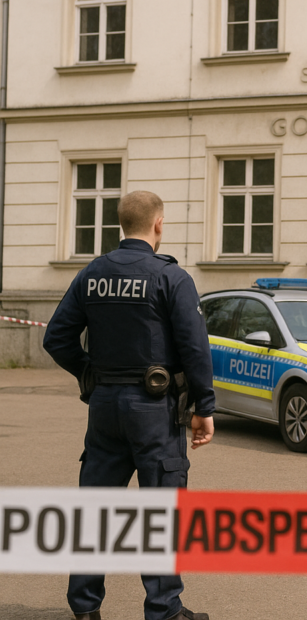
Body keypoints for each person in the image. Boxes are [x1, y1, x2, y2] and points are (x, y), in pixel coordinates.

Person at [43, 191, 215, 620]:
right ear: (158, 224)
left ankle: (84, 608)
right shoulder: (171, 278)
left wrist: (90, 375)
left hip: (104, 408)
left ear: (122, 224)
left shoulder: (92, 273)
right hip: (155, 410)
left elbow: (56, 338)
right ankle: (163, 609)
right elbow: (195, 349)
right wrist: (204, 407)